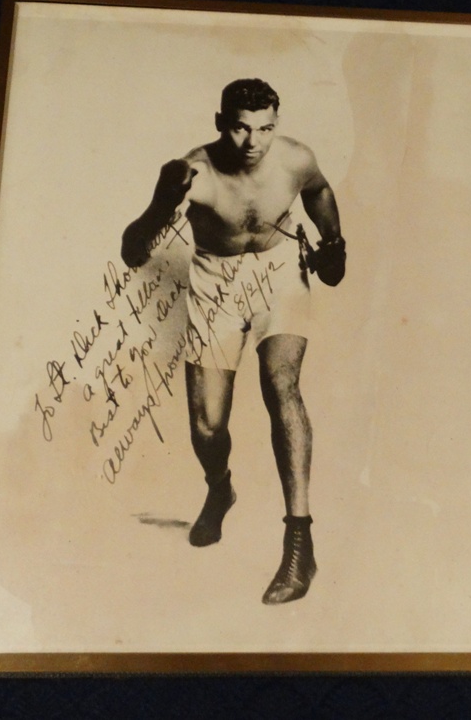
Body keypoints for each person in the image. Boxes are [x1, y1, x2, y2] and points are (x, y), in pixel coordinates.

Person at [121, 78, 346, 604]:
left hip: (278, 271)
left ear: (276, 124)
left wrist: (333, 240)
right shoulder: (193, 172)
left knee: (281, 385)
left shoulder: (295, 158)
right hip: (215, 279)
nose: (253, 142)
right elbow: (134, 251)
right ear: (222, 122)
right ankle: (220, 488)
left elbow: (318, 191)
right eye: (242, 128)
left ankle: (299, 541)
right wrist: (162, 205)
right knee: (207, 426)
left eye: (265, 128)